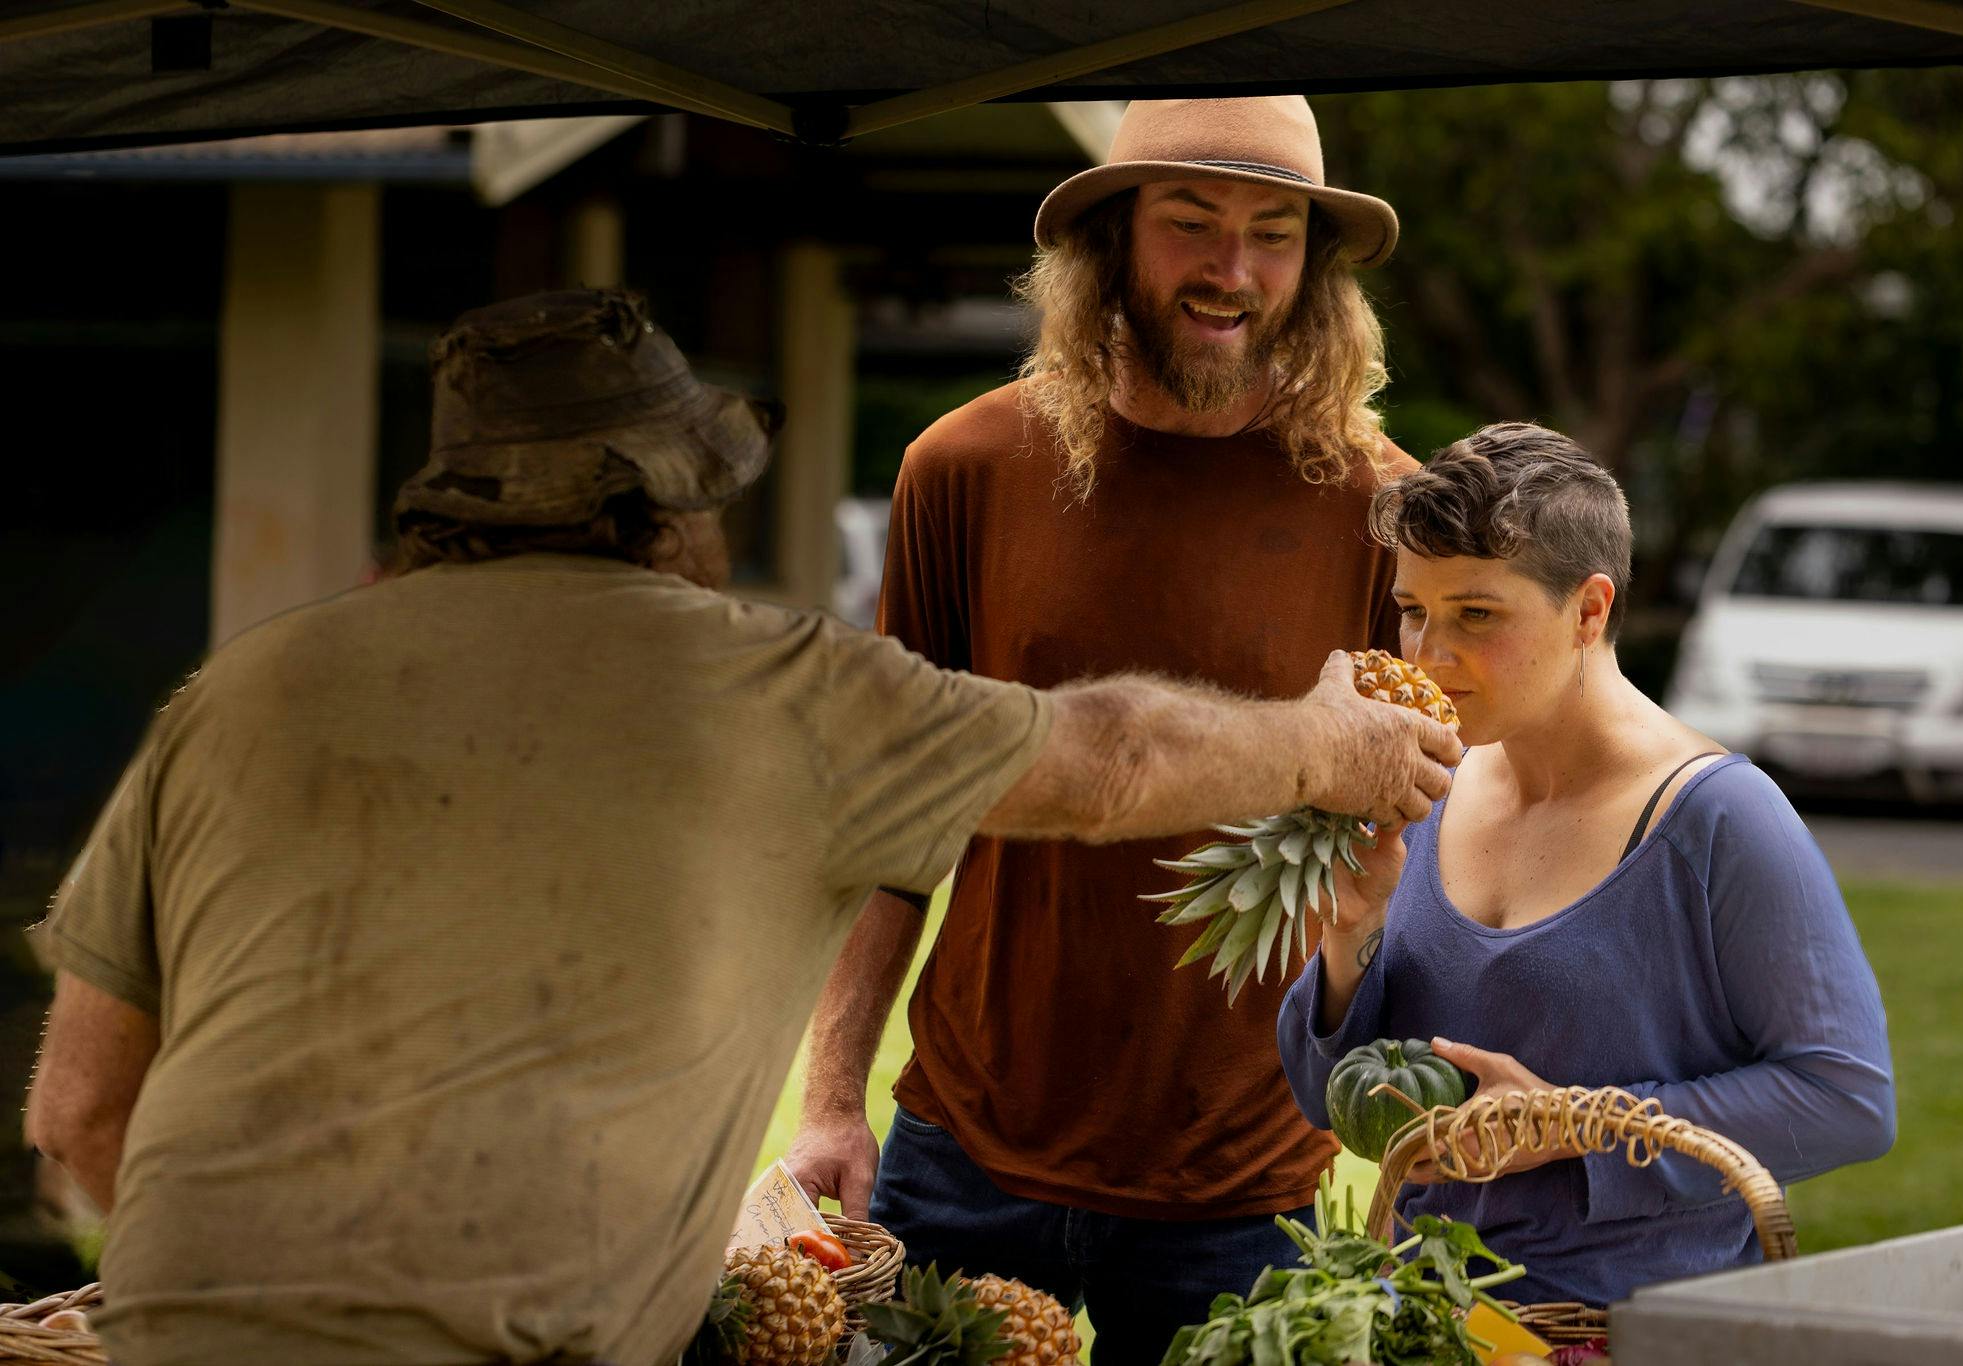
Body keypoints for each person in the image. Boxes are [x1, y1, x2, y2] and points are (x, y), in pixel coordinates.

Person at [23, 289, 1457, 1366]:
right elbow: (1109, 755)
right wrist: (1327, 740)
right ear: (673, 510)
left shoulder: (241, 686)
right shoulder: (767, 685)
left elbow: (79, 1116)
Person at [787, 96, 1423, 1363]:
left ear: (1314, 267)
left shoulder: (1380, 504)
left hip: (1240, 1180)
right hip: (965, 1148)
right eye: (1189, 222)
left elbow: (1415, 846)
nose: (1232, 271)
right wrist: (826, 1099)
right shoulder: (962, 468)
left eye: (1274, 233)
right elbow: (891, 821)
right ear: (1110, 242)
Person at [1277, 423, 1896, 1305]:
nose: (1428, 656)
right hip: (1427, 1326)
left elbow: (1847, 1100)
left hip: (1643, 1332)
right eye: (1414, 611)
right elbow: (1324, 1097)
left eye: (1477, 615)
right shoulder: (1427, 784)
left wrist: (1572, 1126)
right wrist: (1351, 936)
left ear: (1590, 611)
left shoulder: (1719, 817)